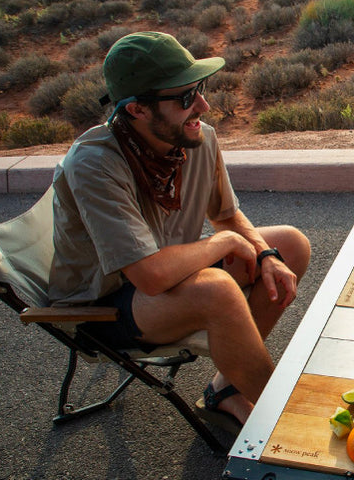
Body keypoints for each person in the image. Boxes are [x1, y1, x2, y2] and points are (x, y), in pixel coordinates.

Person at [48, 32, 311, 433]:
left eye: (200, 89)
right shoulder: (95, 163)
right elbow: (149, 276)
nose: (203, 106)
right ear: (137, 108)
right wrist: (223, 242)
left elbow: (227, 215)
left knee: (287, 245)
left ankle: (226, 390)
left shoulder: (197, 137)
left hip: (167, 268)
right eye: (185, 97)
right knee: (216, 289)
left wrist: (264, 253)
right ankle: (288, 423)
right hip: (106, 302)